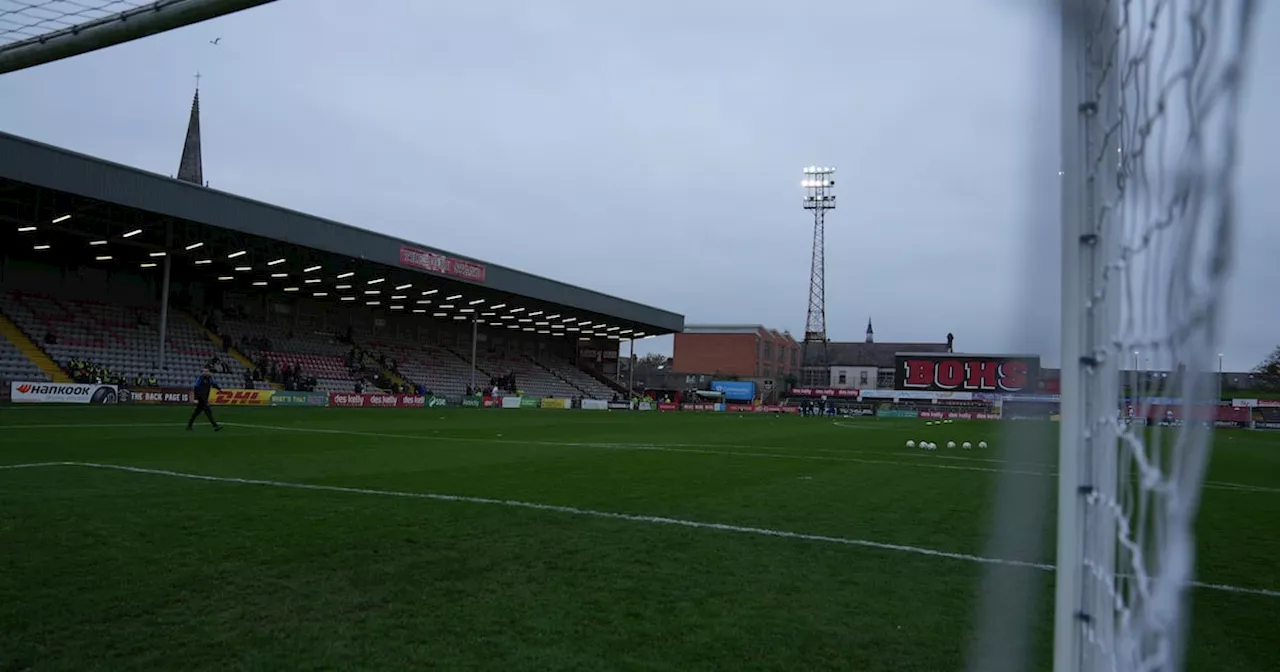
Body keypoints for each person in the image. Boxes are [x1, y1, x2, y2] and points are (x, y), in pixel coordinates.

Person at [188, 367, 223, 432]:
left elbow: (214, 384)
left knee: (196, 413)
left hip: (204, 398)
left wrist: (220, 389)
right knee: (208, 412)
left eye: (206, 371)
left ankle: (189, 425)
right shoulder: (200, 378)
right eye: (204, 371)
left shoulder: (210, 378)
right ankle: (215, 426)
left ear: (209, 372)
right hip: (201, 398)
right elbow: (196, 388)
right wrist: (196, 398)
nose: (205, 372)